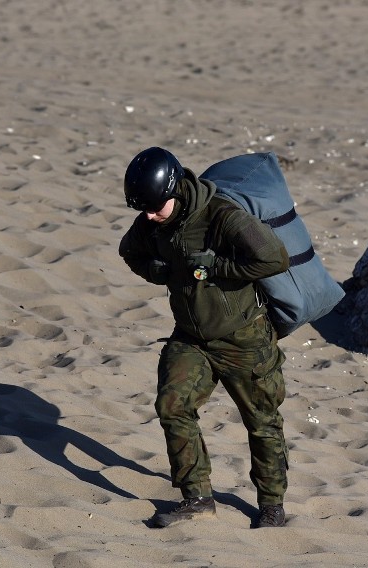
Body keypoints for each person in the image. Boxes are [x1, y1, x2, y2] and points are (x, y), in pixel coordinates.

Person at [118, 147, 291, 528]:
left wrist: (217, 267)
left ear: (176, 190)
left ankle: (271, 505)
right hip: (190, 338)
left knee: (262, 421)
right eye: (143, 209)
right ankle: (196, 496)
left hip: (244, 339)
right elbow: (129, 252)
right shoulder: (152, 221)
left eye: (155, 207)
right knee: (172, 406)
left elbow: (274, 259)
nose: (148, 216)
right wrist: (161, 273)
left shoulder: (222, 217)